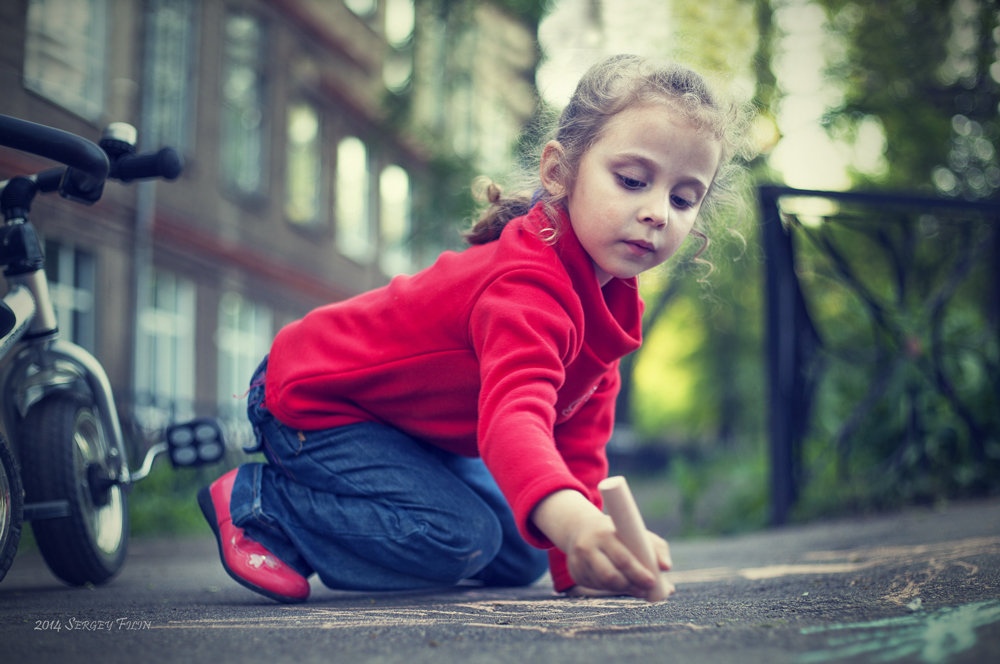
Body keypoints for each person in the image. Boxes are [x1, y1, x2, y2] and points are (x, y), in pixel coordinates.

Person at [198, 54, 749, 604]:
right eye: (632, 180)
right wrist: (579, 525)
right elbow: (513, 419)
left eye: (683, 198)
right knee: (463, 537)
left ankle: (386, 522)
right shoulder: (527, 285)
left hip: (411, 429)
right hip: (319, 401)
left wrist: (575, 561)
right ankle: (266, 508)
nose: (658, 211)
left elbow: (576, 442)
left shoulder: (608, 308)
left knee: (527, 548)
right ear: (559, 171)